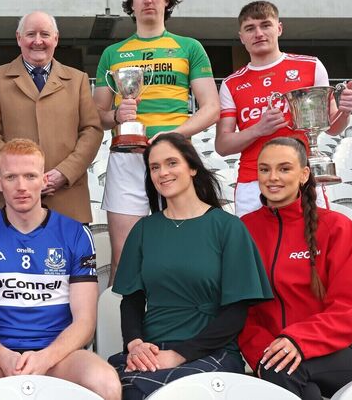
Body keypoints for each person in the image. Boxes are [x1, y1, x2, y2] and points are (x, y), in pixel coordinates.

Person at [0, 139, 121, 400]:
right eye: (11, 177)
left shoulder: (75, 234)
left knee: (106, 384)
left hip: (60, 355)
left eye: (30, 176)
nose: (21, 186)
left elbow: (85, 321)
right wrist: (4, 357)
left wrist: (45, 358)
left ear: (44, 180)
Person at [110, 132, 272, 400]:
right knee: (115, 387)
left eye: (172, 163)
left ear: (193, 167)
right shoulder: (144, 229)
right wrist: (135, 345)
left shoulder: (228, 227)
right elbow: (132, 300)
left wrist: (179, 355)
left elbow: (236, 312)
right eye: (155, 167)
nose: (163, 173)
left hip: (210, 350)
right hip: (152, 351)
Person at [93, 0, 220, 282]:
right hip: (127, 157)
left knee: (182, 253)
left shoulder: (189, 47)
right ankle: (125, 317)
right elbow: (98, 115)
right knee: (125, 256)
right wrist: (117, 116)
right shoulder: (112, 53)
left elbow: (211, 108)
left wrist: (174, 134)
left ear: (166, 0)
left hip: (174, 156)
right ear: (131, 3)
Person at [239, 137, 352, 399]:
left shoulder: (336, 227)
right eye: (264, 169)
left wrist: (297, 340)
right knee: (290, 378)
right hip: (273, 352)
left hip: (338, 350)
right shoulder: (243, 230)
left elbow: (350, 307)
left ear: (304, 174)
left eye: (284, 168)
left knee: (282, 370)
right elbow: (241, 310)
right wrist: (263, 352)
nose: (272, 177)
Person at [216, 0, 352, 217]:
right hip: (253, 182)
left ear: (279, 28)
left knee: (312, 238)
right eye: (250, 28)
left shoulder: (310, 66)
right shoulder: (231, 83)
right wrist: (258, 129)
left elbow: (332, 127)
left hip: (302, 177)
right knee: (254, 241)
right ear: (242, 37)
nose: (258, 33)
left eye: (266, 25)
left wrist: (345, 111)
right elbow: (222, 145)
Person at [0, 11, 103, 224]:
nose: (38, 41)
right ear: (19, 38)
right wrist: (17, 176)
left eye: (44, 34)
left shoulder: (78, 80)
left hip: (68, 200)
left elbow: (92, 131)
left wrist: (64, 172)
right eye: (30, 34)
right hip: (16, 203)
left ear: (56, 38)